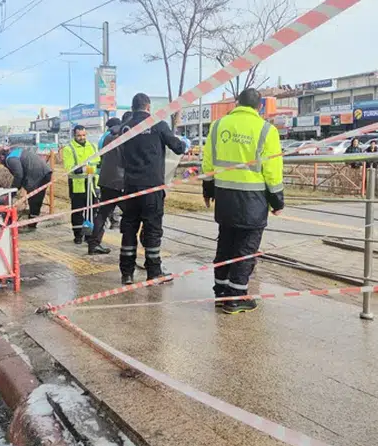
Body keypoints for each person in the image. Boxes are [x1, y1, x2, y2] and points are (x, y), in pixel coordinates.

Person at [203, 88, 284, 314]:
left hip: (225, 197)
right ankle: (236, 297)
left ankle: (221, 293)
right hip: (253, 201)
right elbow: (273, 171)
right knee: (246, 249)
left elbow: (208, 162)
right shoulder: (267, 130)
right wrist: (277, 201)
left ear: (236, 103)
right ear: (259, 107)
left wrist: (208, 190)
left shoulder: (218, 126)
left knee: (225, 245)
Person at [118, 93, 190, 283]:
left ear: (133, 108)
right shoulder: (158, 124)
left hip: (130, 186)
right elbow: (178, 148)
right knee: (152, 229)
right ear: (148, 107)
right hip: (151, 187)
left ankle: (127, 273)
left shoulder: (125, 127)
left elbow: (119, 153)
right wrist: (184, 144)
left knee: (129, 228)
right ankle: (154, 271)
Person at [86, 117, 125, 255]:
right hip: (120, 182)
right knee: (132, 214)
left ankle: (93, 244)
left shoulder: (106, 138)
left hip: (105, 180)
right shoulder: (126, 136)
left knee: (102, 213)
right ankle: (129, 247)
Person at [60, 125, 99, 245]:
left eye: (83, 135)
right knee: (77, 212)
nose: (82, 137)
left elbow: (98, 163)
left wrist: (87, 169)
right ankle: (78, 235)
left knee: (92, 211)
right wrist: (86, 168)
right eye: (79, 135)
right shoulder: (69, 149)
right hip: (77, 185)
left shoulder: (93, 146)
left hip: (92, 184)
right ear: (74, 135)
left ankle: (89, 235)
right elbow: (70, 168)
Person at [0, 145, 53, 223]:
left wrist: (13, 190)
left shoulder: (10, 159)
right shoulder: (15, 152)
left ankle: (32, 223)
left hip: (37, 174)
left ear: (1, 157)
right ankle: (32, 221)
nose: (0, 163)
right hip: (45, 172)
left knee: (34, 199)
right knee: (36, 198)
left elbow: (18, 174)